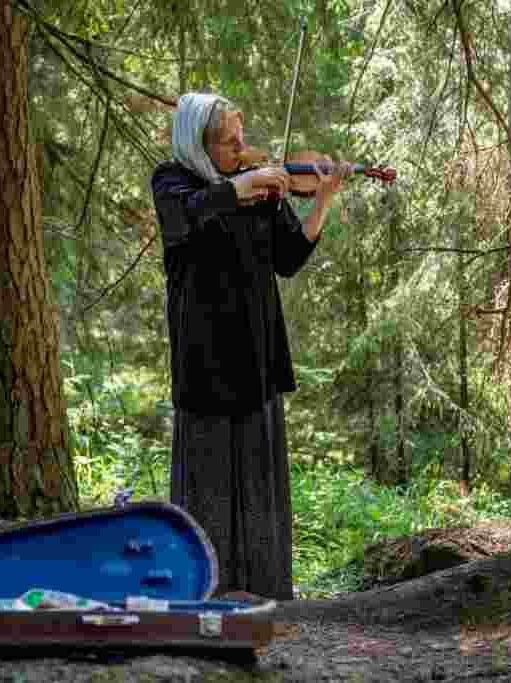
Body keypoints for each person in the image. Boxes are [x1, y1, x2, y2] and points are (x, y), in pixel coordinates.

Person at [150, 93, 349, 600]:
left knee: (259, 483)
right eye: (230, 143)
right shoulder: (175, 184)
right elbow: (187, 218)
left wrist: (322, 199)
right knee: (210, 483)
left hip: (257, 357)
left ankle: (265, 591)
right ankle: (206, 591)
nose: (243, 150)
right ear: (198, 144)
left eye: (243, 139)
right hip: (205, 362)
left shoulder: (263, 191)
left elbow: (288, 257)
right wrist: (238, 185)